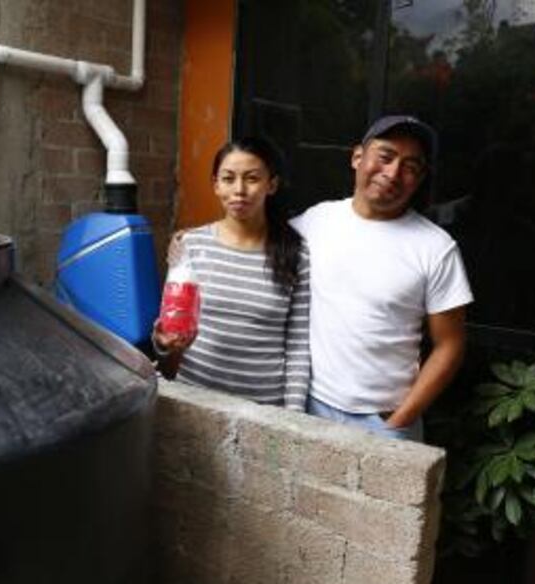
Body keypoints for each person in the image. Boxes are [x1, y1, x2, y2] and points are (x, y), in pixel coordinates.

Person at [291, 115, 473, 441]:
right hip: (308, 405)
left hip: (385, 420)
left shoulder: (435, 247)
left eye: (410, 167)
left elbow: (451, 344)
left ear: (418, 179)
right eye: (386, 157)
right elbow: (252, 243)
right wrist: (191, 241)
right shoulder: (316, 221)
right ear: (357, 157)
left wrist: (398, 421)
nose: (393, 173)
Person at [152, 137, 311, 411]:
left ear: (271, 184)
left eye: (252, 179)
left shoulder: (295, 253)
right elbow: (171, 330)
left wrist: (293, 416)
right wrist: (165, 345)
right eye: (228, 179)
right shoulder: (190, 245)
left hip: (263, 410)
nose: (239, 190)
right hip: (194, 401)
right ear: (216, 184)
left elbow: (298, 343)